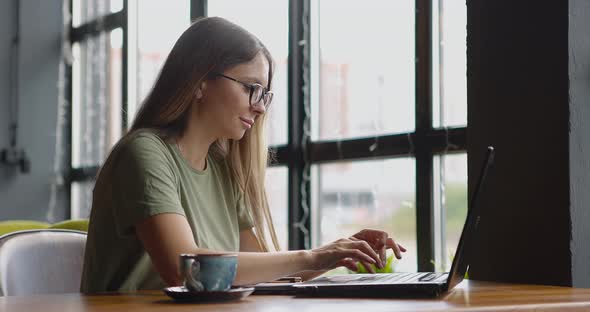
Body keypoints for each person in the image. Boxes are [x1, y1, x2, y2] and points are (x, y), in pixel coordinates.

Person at [80, 16, 406, 293]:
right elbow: (187, 270)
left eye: (265, 95)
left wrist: (340, 251)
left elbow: (269, 276)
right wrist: (316, 255)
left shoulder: (222, 169)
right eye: (251, 88)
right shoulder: (145, 153)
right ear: (200, 82)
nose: (260, 107)